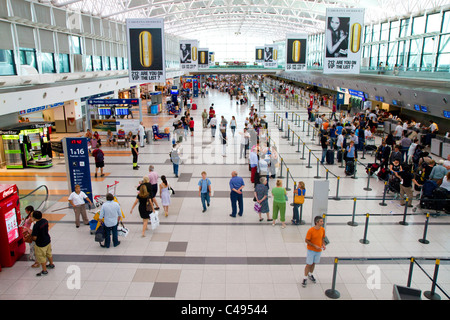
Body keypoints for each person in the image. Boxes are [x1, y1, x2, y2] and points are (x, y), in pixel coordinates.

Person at [302, 216, 326, 288]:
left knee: (313, 263)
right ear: (317, 222)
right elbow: (306, 240)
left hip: (318, 251)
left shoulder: (322, 229)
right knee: (309, 264)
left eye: (322, 221)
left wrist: (323, 244)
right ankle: (305, 278)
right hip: (311, 250)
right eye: (321, 221)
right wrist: (314, 245)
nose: (322, 222)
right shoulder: (311, 230)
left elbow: (322, 238)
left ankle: (310, 274)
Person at [31, 210, 55, 276]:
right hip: (47, 240)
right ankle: (51, 264)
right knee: (49, 253)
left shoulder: (36, 226)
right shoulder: (45, 220)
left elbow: (34, 237)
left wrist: (31, 237)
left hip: (40, 244)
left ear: (34, 218)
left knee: (42, 257)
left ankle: (44, 270)